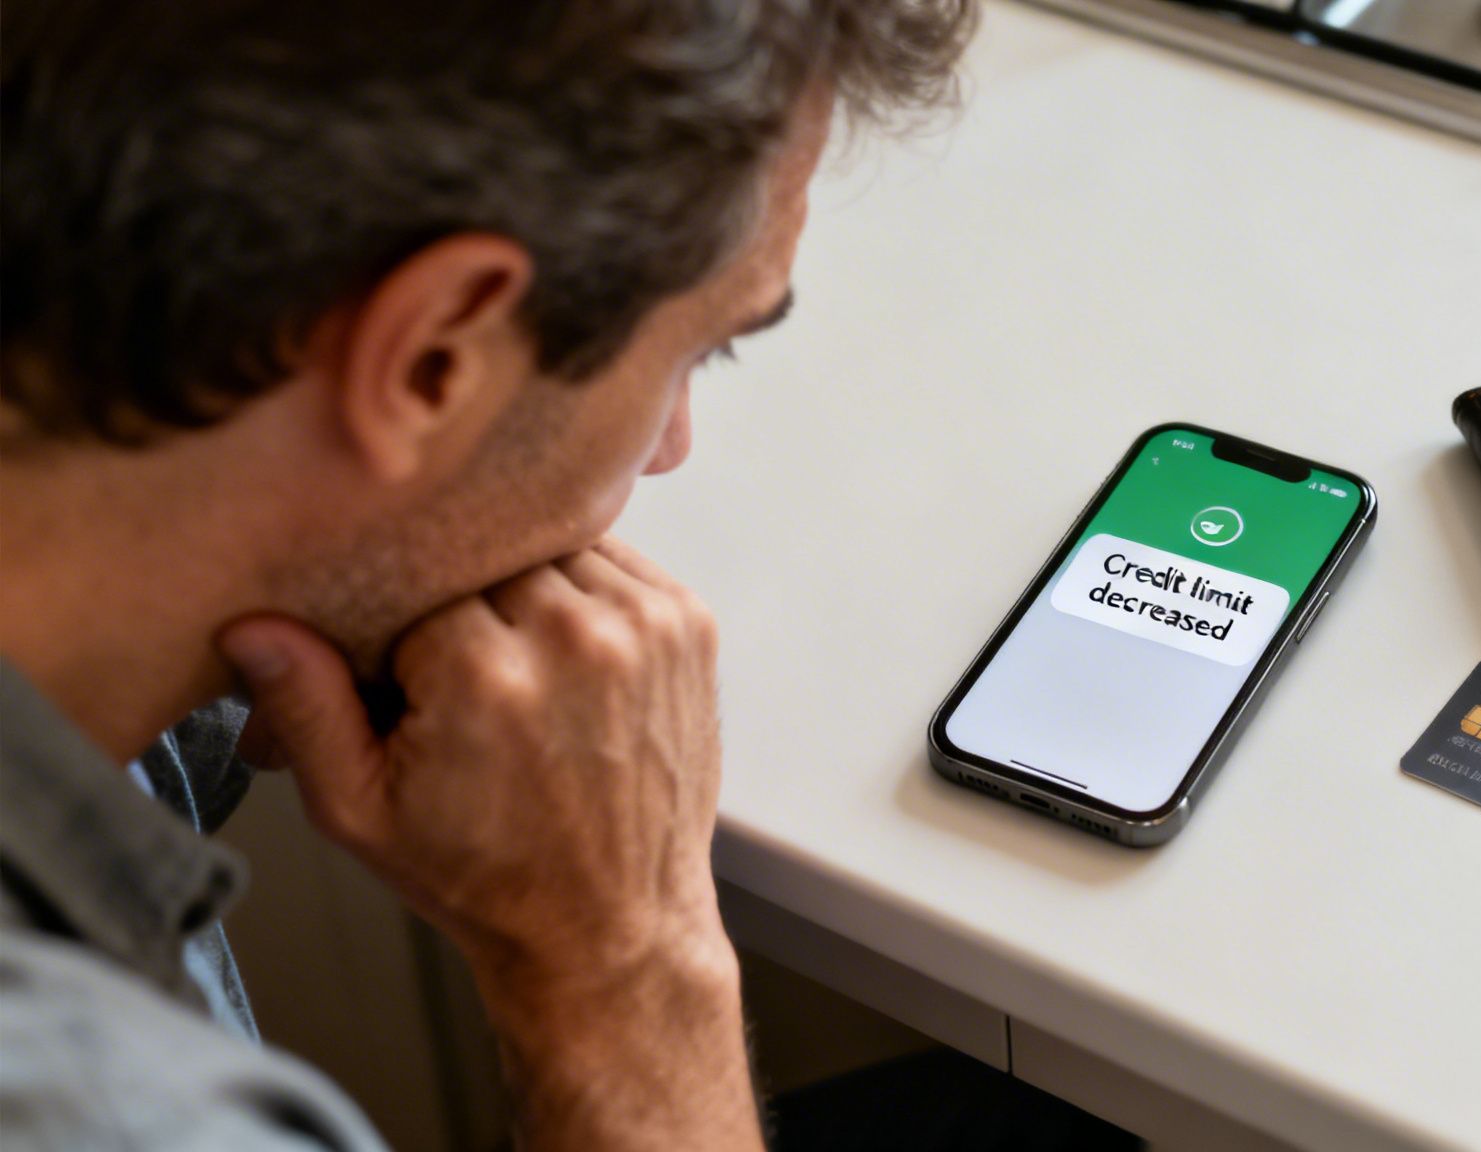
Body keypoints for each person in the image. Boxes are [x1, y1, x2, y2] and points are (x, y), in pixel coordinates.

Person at [0, 2, 981, 1148]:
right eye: (695, 350)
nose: (671, 446)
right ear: (430, 358)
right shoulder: (122, 1116)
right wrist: (626, 978)